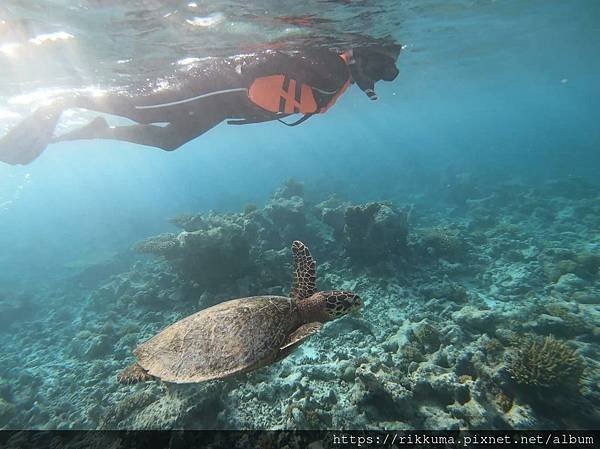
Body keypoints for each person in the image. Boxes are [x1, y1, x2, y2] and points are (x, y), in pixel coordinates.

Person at [0, 43, 401, 165]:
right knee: (141, 109)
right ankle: (63, 97)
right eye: (379, 68)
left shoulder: (340, 78)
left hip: (224, 106)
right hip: (220, 89)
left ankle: (99, 131)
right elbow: (274, 59)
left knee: (168, 142)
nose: (376, 80)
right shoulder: (330, 63)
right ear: (362, 57)